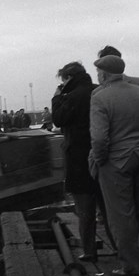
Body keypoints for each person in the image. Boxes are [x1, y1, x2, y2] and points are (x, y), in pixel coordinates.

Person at [89, 54, 139, 276]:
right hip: (138, 155)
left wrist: (99, 161)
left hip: (115, 161)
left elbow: (99, 139)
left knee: (121, 215)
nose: (97, 76)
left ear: (105, 74)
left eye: (98, 72)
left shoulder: (100, 97)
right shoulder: (138, 91)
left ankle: (131, 265)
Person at [52, 62, 99, 260]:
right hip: (104, 157)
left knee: (85, 209)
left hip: (80, 158)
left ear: (69, 78)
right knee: (111, 208)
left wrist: (56, 97)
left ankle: (89, 251)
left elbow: (58, 119)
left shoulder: (72, 97)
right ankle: (123, 252)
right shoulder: (99, 91)